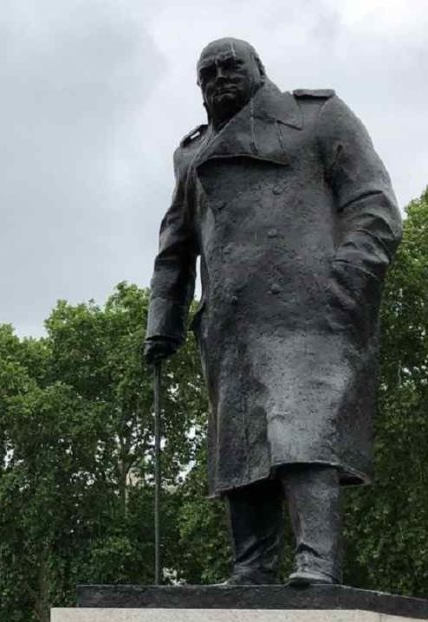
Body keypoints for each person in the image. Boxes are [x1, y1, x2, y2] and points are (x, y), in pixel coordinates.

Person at [143, 37, 403, 586]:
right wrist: (161, 323)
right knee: (238, 445)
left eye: (231, 66)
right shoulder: (192, 155)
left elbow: (374, 205)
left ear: (260, 69)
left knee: (301, 431)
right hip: (232, 321)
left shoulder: (320, 118)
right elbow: (176, 244)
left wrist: (347, 281)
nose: (219, 78)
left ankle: (316, 561)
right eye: (207, 73)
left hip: (311, 310)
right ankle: (251, 567)